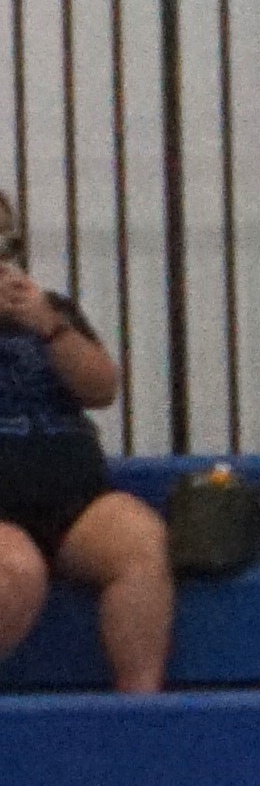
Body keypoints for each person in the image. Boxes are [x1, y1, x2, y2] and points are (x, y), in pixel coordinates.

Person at [0, 191, 169, 694]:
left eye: (7, 243)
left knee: (141, 543)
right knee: (16, 571)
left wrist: (51, 328)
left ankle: (139, 713)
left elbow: (101, 389)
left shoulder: (50, 309)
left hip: (74, 499)